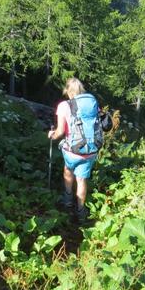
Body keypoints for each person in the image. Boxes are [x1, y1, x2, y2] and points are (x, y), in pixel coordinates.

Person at [47, 77, 101, 221]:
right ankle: (81, 211)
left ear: (68, 90)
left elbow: (60, 132)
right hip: (91, 150)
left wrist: (52, 135)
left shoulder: (64, 105)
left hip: (73, 151)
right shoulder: (92, 102)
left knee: (68, 170)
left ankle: (67, 201)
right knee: (82, 180)